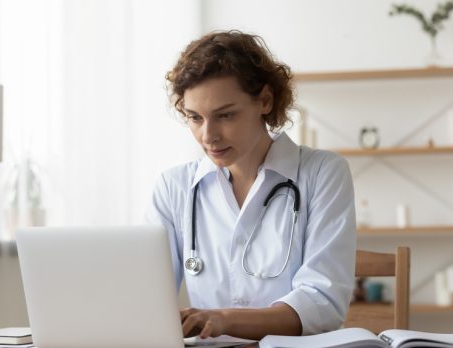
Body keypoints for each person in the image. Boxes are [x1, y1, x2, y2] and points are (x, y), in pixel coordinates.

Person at [146, 30, 356, 340]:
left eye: (225, 115)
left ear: (265, 101)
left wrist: (223, 320)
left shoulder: (322, 173)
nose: (208, 136)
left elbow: (322, 305)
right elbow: (147, 299)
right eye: (194, 117)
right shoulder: (174, 188)